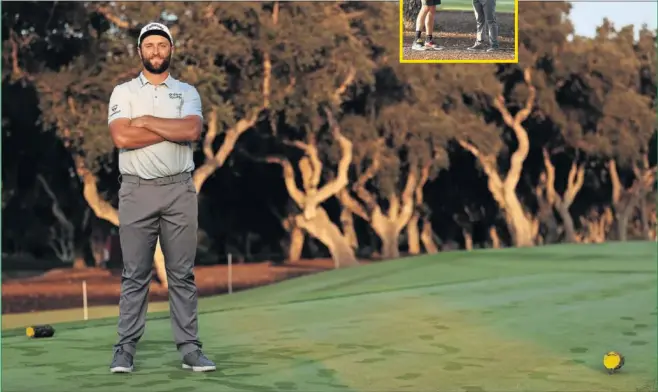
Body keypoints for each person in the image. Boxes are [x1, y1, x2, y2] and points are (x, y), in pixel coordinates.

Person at [107, 22, 216, 374]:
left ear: (171, 50)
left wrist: (148, 121)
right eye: (149, 45)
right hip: (136, 190)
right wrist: (170, 131)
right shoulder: (123, 93)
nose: (156, 51)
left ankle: (189, 348)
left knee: (181, 274)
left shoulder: (187, 92)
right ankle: (124, 350)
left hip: (179, 190)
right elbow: (121, 138)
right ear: (140, 51)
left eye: (162, 45)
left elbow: (192, 130)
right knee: (135, 273)